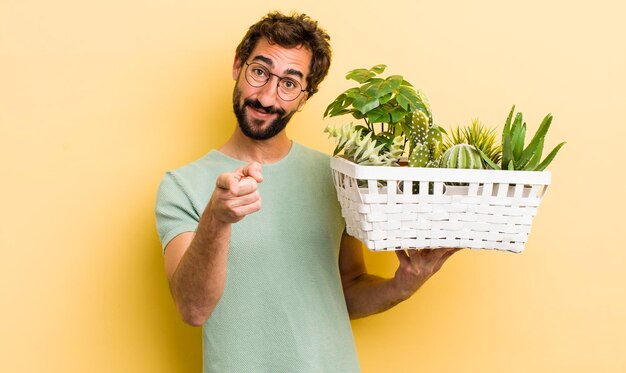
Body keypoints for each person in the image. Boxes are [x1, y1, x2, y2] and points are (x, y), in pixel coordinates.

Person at [155, 11, 459, 373]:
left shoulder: (335, 177)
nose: (267, 96)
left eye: (289, 83)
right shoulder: (181, 186)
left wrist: (402, 285)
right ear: (238, 66)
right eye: (260, 72)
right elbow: (193, 309)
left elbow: (347, 288)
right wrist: (217, 219)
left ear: (305, 97)